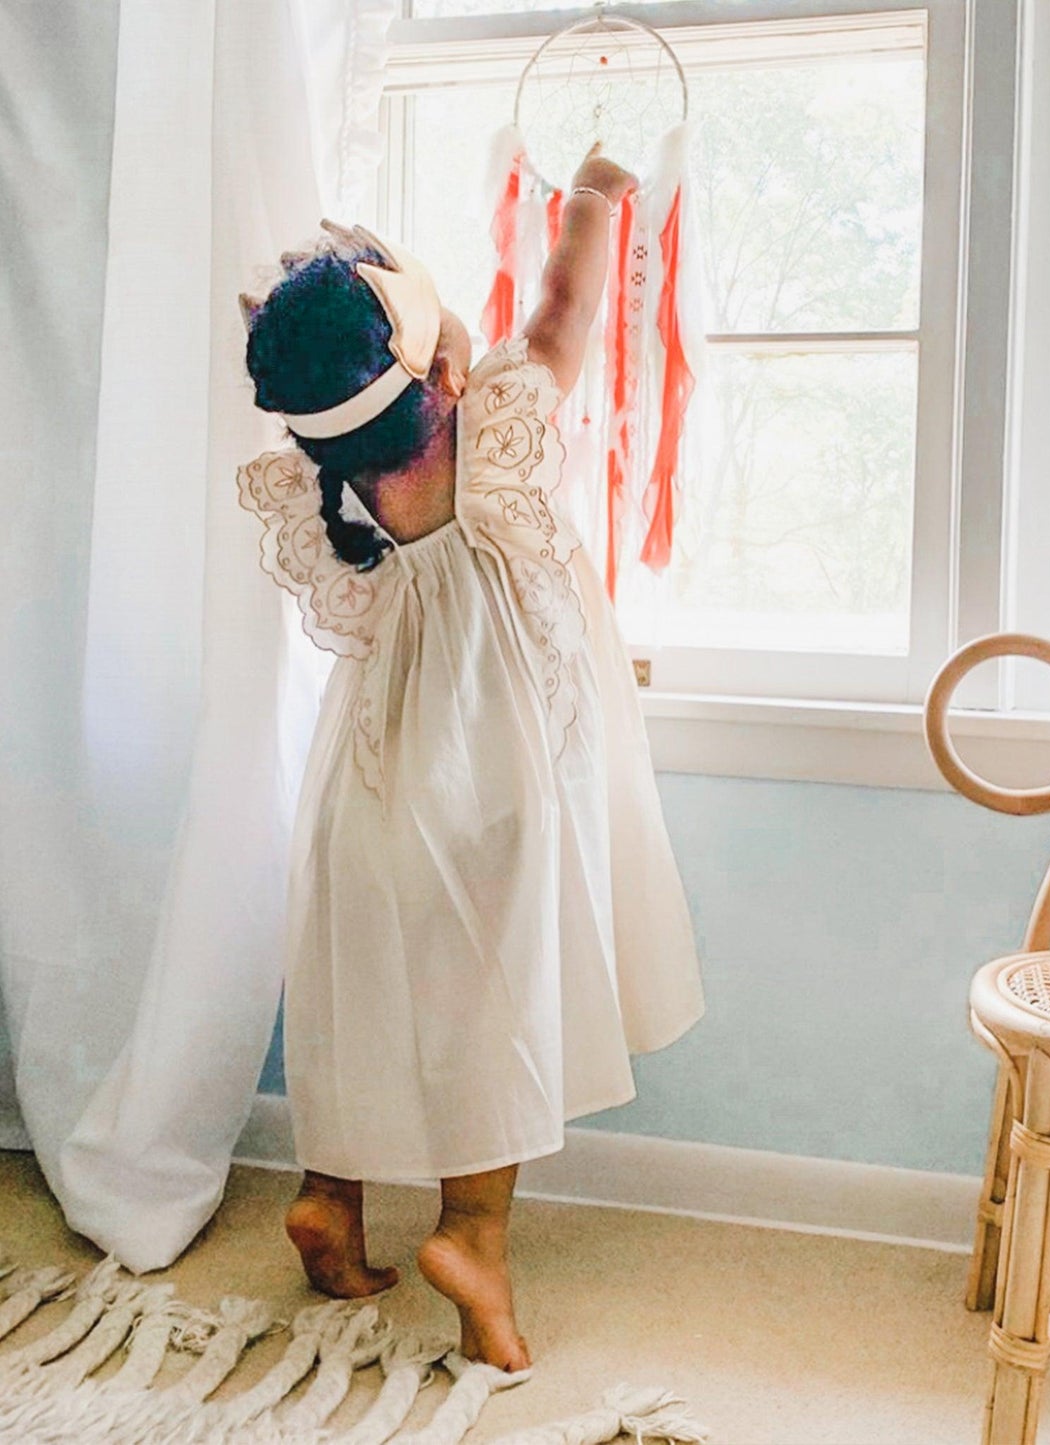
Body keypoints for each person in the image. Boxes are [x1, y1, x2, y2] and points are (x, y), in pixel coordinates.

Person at [238, 147, 704, 1371]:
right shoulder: (492, 424)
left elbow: (317, 354)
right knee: (483, 998)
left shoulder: (323, 476)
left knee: (360, 981)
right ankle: (473, 1239)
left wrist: (313, 311)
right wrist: (597, 198)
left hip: (368, 771)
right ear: (444, 369)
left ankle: (327, 1198)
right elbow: (562, 308)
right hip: (488, 775)